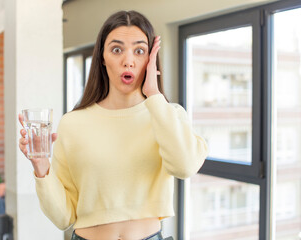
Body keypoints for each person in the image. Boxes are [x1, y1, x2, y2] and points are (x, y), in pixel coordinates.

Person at [18, 10, 208, 240]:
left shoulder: (168, 115)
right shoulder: (73, 123)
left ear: (150, 59)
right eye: (117, 49)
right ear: (102, 58)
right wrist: (41, 167)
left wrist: (154, 94)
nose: (128, 60)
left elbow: (184, 166)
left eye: (139, 51)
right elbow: (63, 217)